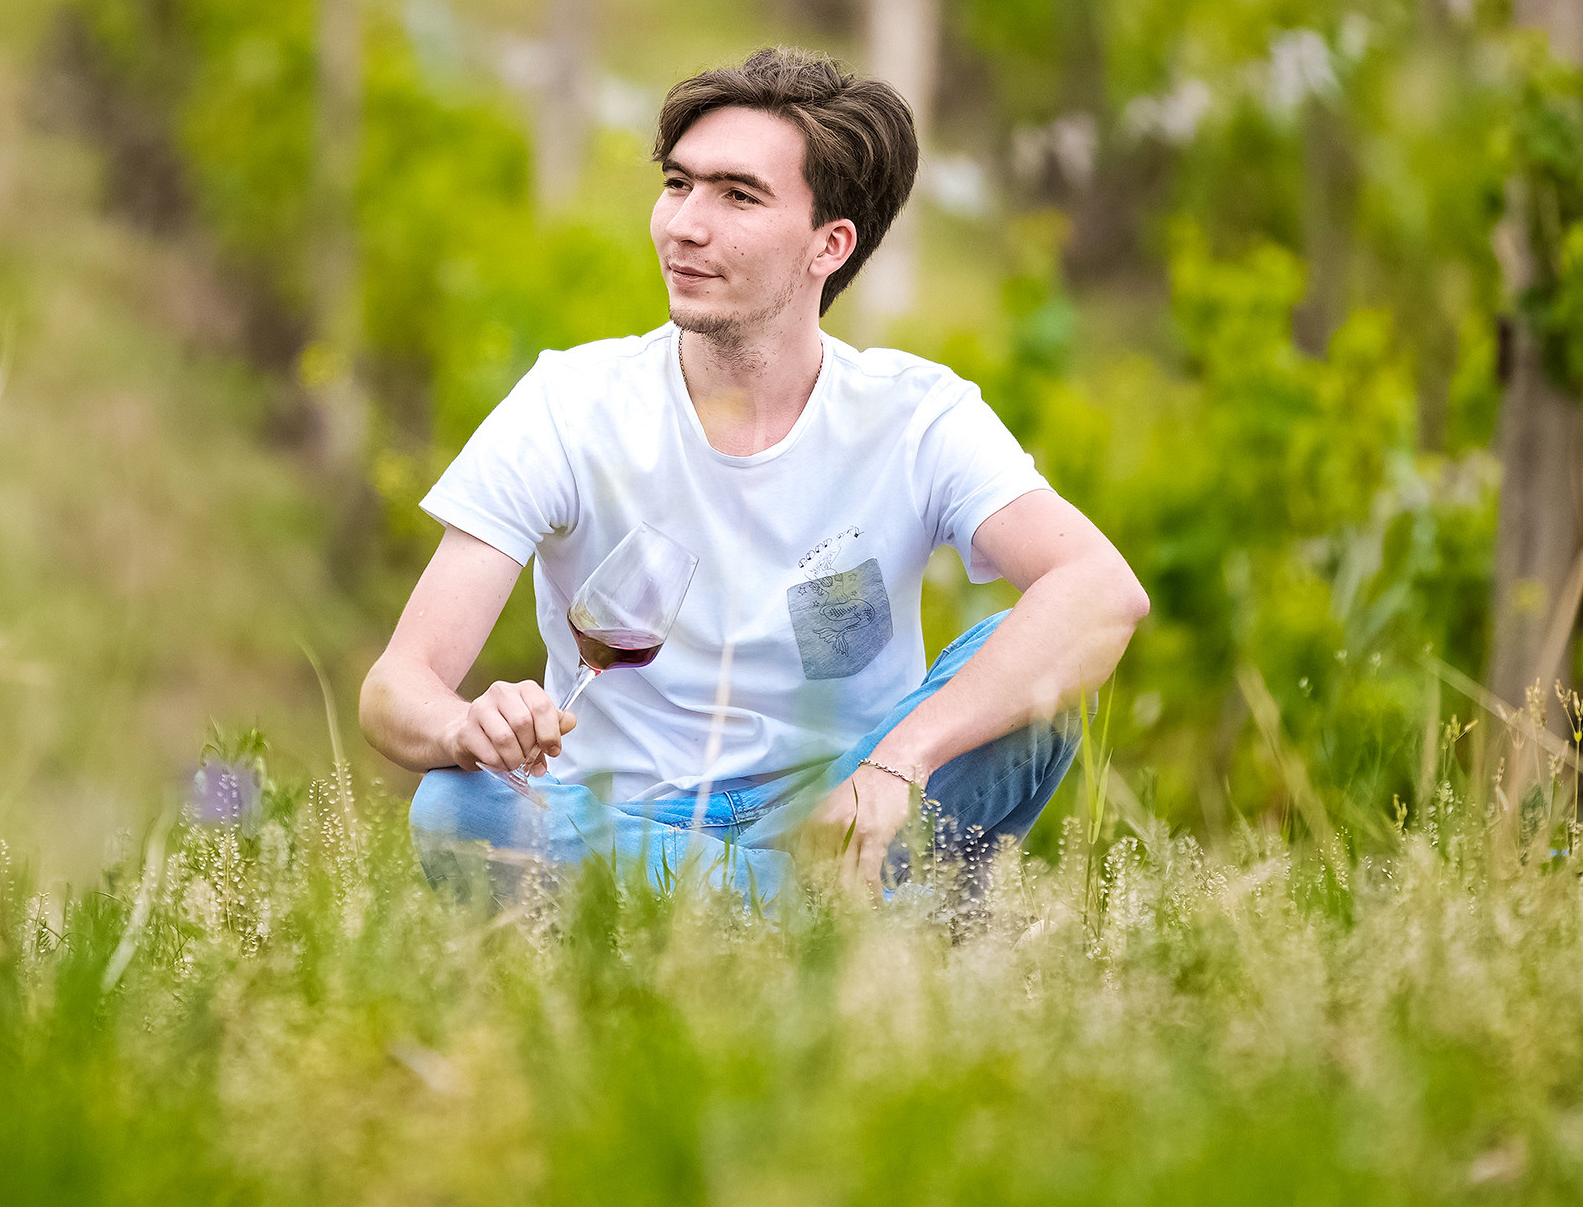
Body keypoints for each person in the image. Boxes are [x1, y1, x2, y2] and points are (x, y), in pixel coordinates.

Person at [359, 47, 1148, 905]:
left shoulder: (917, 415)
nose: (685, 224)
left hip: (844, 805)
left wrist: (897, 762)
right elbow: (395, 688)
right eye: (678, 184)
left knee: (1032, 662)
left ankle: (730, 912)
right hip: (619, 816)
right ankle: (835, 918)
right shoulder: (569, 404)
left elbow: (1102, 592)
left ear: (829, 244)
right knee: (458, 807)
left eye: (737, 195)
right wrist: (465, 724)